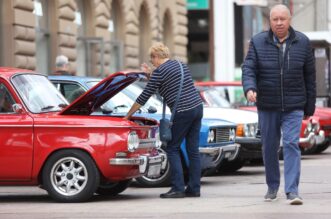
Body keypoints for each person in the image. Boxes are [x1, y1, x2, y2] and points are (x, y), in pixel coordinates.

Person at [242, 4, 316, 205]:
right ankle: (272, 186)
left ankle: (292, 191)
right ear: (270, 21)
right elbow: (249, 68)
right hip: (267, 104)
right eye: (275, 19)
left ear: (290, 19)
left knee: (292, 143)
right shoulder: (257, 42)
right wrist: (250, 88)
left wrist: (310, 106)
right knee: (269, 147)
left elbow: (310, 77)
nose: (279, 23)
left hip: (294, 104)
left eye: (283, 19)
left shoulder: (303, 42)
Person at [124, 42, 203, 198]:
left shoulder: (160, 72)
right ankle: (194, 188)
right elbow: (168, 79)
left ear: (156, 56)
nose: (152, 62)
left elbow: (143, 97)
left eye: (152, 59)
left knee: (172, 148)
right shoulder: (181, 65)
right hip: (197, 107)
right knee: (193, 150)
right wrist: (151, 75)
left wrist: (128, 115)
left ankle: (178, 188)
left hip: (182, 111)